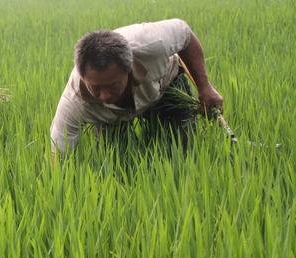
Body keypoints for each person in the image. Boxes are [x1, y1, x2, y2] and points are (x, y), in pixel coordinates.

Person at [49, 19, 223, 159]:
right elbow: (59, 156)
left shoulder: (152, 43)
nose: (104, 96)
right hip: (111, 120)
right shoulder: (73, 103)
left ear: (129, 68)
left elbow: (184, 33)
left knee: (184, 151)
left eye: (113, 85)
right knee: (114, 162)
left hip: (165, 88)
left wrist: (205, 87)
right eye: (95, 88)